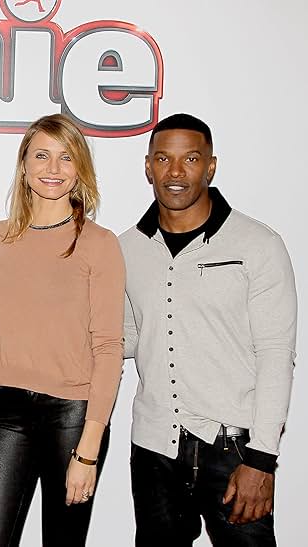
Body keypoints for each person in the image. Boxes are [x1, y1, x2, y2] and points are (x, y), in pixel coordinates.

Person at [0, 113, 125, 546]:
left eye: (66, 158)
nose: (53, 168)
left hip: (73, 416)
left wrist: (88, 451)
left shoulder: (100, 244)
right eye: (42, 156)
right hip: (6, 411)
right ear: (24, 165)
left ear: (80, 169)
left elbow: (108, 348)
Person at [121, 113, 297, 547]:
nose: (176, 172)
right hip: (154, 450)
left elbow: (276, 354)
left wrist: (262, 459)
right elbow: (124, 338)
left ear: (210, 166)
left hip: (234, 452)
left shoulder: (258, 244)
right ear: (148, 167)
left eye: (191, 159)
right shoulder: (124, 249)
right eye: (163, 159)